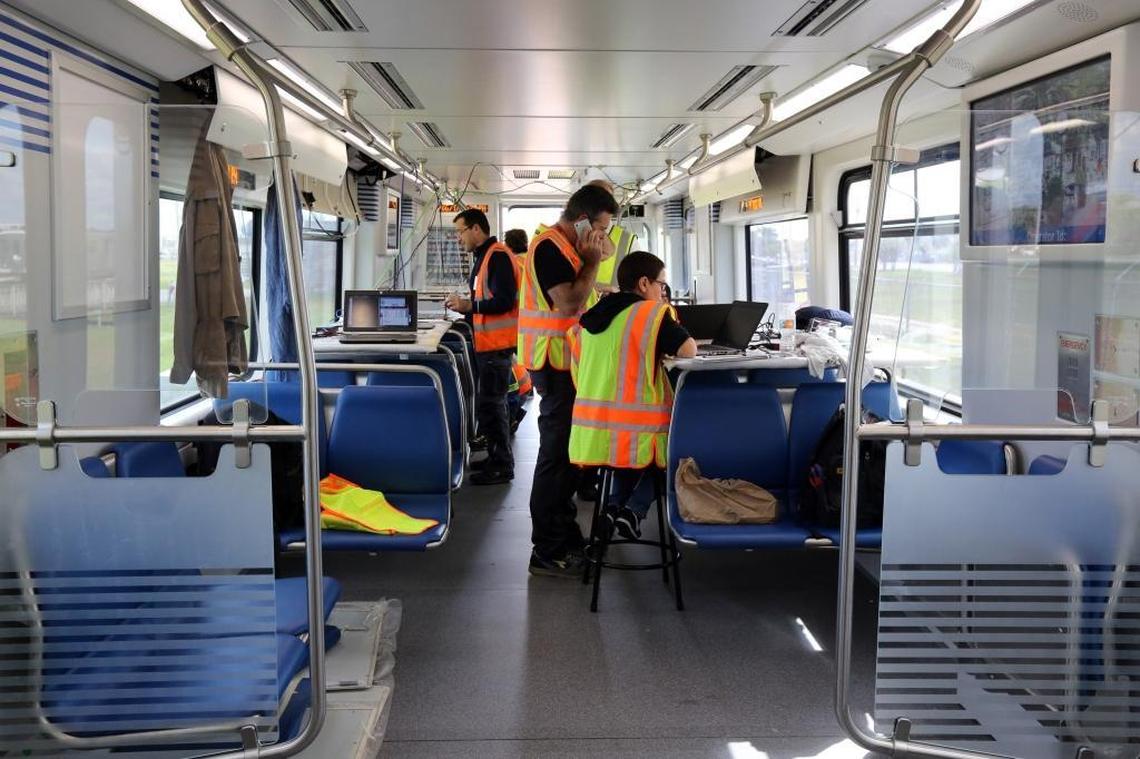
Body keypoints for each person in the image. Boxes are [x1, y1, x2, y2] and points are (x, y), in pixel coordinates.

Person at [518, 184, 617, 577]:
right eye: (600, 228)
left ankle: (565, 531)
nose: (603, 238)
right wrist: (592, 260)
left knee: (569, 456)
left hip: (567, 364)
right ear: (581, 221)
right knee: (556, 456)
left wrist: (598, 251)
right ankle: (547, 549)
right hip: (552, 365)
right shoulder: (548, 248)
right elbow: (569, 302)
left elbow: (599, 261)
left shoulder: (570, 248)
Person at [567, 251, 696, 540]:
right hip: (638, 427)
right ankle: (633, 511)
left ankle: (612, 509)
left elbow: (578, 370)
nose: (663, 292)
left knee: (630, 457)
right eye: (661, 285)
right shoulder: (650, 314)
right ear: (643, 283)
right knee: (679, 454)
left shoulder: (591, 319)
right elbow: (688, 350)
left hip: (594, 431)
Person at [445, 208, 518, 486]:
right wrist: (465, 310)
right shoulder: (484, 257)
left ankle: (502, 465)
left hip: (496, 344)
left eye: (460, 231)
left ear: (476, 229)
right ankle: (495, 456)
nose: (458, 238)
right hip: (486, 342)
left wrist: (469, 306)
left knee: (493, 404)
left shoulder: (497, 256)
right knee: (490, 405)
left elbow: (505, 301)